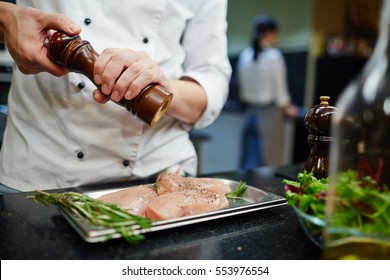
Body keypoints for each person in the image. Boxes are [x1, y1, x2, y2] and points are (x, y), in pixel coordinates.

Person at [0, 0, 231, 192]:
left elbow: (211, 79)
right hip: (42, 171)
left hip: (161, 174)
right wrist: (8, 18)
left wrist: (161, 88)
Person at [237, 14, 298, 167]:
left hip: (250, 113)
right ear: (269, 33)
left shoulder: (245, 56)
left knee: (248, 159)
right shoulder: (274, 56)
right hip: (269, 114)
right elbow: (280, 89)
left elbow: (242, 88)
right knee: (269, 162)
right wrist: (286, 106)